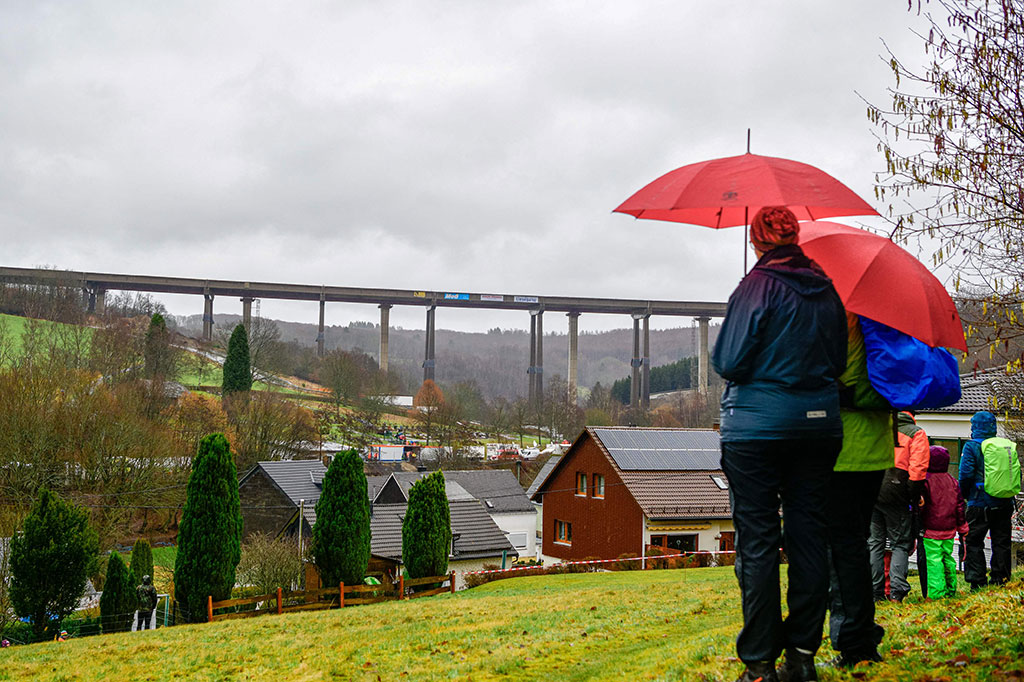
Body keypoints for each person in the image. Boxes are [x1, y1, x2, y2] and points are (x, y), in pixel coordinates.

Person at [712, 206, 847, 682]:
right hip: (819, 428)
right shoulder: (827, 289)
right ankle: (803, 656)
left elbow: (728, 361)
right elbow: (837, 361)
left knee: (759, 542)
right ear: (795, 238)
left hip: (756, 430)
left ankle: (760, 663)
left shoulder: (755, 287)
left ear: (757, 241)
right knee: (810, 537)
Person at [824, 313, 892, 670]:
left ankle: (856, 642)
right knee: (855, 544)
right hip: (877, 448)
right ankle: (861, 636)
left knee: (843, 549)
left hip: (843, 450)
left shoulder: (841, 322)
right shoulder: (885, 321)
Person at [868, 410, 929, 602]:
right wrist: (914, 496)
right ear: (912, 416)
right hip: (896, 491)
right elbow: (918, 470)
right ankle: (897, 591)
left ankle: (875, 592)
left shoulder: (879, 429)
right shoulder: (916, 433)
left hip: (872, 488)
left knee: (875, 542)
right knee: (900, 543)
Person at [959, 411, 1016, 589]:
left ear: (974, 426)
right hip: (1005, 501)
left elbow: (965, 475)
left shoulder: (971, 446)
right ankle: (1001, 579)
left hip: (979, 502)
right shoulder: (1004, 445)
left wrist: (965, 495)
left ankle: (978, 581)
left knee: (973, 542)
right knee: (1002, 542)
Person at [918, 445, 968, 599]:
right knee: (948, 557)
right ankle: (951, 588)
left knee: (934, 561)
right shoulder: (953, 481)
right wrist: (962, 527)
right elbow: (960, 506)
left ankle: (937, 594)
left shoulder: (926, 481)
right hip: (949, 528)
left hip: (931, 529)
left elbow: (921, 506)